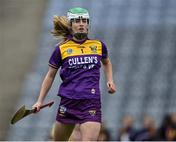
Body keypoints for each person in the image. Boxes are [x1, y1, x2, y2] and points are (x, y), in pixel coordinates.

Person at [32, 7, 116, 141]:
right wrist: (39, 101)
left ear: (88, 24)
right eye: (77, 21)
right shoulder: (61, 49)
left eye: (84, 21)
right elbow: (50, 76)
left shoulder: (98, 45)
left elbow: (106, 62)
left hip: (91, 102)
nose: (81, 23)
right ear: (71, 25)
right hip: (68, 102)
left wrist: (110, 80)